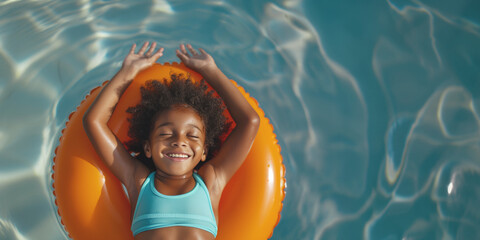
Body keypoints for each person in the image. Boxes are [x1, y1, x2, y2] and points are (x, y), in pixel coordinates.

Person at [83, 42, 260, 240]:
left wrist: (211, 71)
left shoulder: (211, 182)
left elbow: (250, 122)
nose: (179, 141)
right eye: (166, 134)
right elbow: (93, 122)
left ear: (204, 152)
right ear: (148, 148)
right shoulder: (139, 182)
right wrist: (128, 72)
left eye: (192, 135)